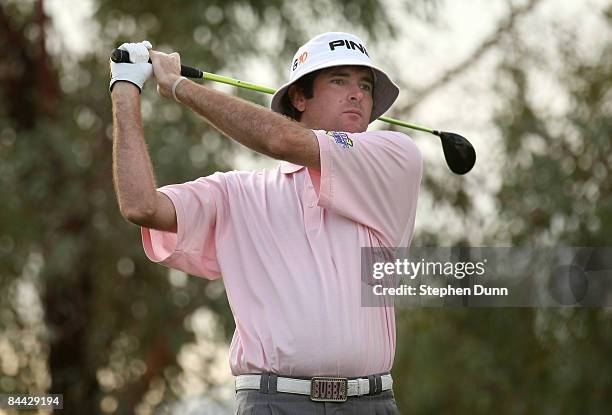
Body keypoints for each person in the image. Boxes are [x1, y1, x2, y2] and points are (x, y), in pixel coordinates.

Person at [110, 31, 422, 414]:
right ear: (299, 97)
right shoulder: (237, 194)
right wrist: (125, 88)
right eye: (339, 80)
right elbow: (141, 205)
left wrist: (179, 86)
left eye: (365, 85)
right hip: (272, 403)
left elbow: (281, 140)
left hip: (371, 403)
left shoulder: (395, 157)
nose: (357, 93)